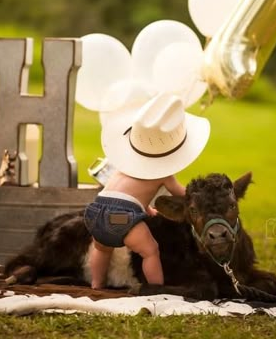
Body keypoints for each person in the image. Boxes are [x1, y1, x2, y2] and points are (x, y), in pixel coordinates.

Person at [84, 92, 210, 290]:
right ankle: (156, 289)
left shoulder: (122, 166)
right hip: (121, 217)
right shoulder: (163, 174)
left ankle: (96, 284)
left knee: (101, 249)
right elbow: (182, 194)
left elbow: (128, 197)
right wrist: (199, 196)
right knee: (150, 250)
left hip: (96, 212)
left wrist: (147, 210)